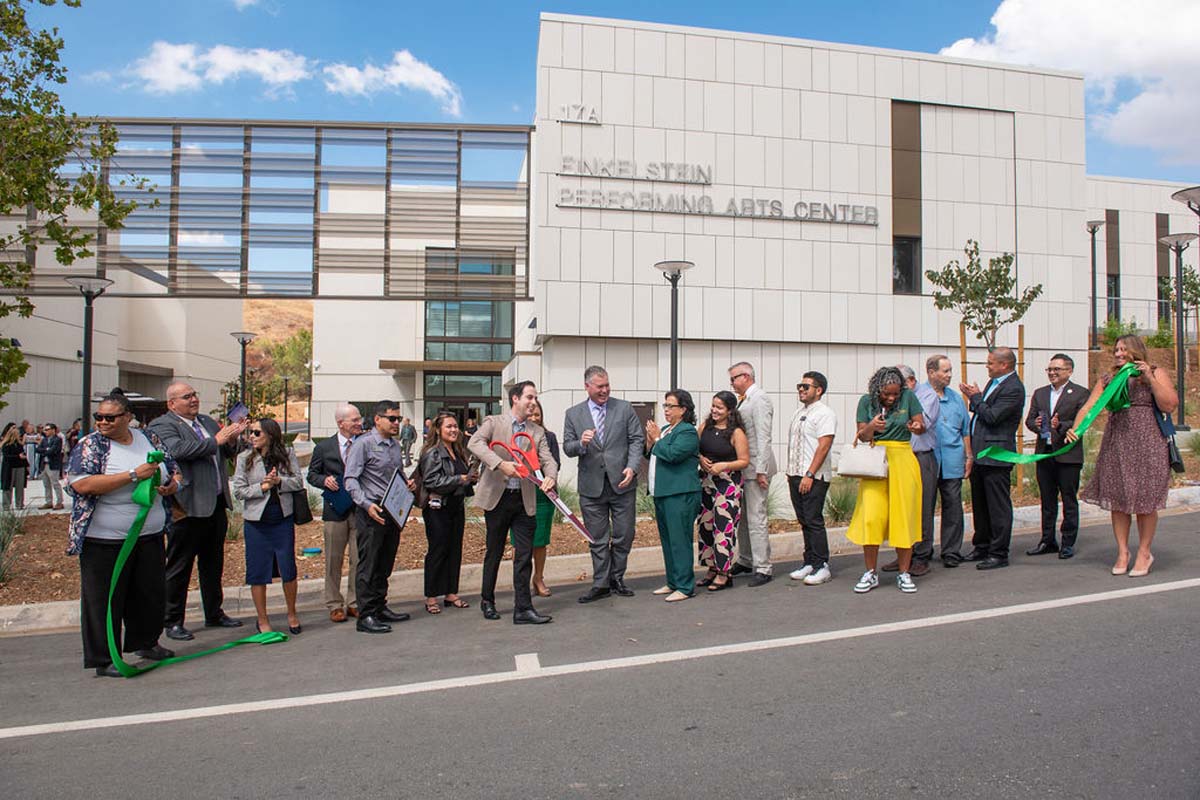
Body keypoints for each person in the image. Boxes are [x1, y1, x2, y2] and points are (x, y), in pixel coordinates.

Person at [65, 390, 181, 677]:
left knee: (149, 593)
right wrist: (132, 475)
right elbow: (82, 485)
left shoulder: (148, 439)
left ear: (128, 418)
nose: (103, 422)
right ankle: (103, 657)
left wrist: (171, 486)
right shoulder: (91, 446)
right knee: (104, 598)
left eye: (110, 417)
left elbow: (173, 469)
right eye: (99, 417)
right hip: (105, 540)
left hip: (149, 533)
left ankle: (145, 642)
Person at [1068, 335, 1177, 577]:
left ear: (1135, 351)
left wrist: (1148, 377)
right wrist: (1076, 430)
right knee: (1118, 499)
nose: (1117, 353)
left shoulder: (1155, 373)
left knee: (1146, 500)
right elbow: (1089, 407)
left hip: (1149, 443)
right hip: (1117, 443)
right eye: (1116, 349)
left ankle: (1144, 552)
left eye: (1122, 349)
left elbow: (1169, 404)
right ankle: (1122, 552)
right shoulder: (1109, 379)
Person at [149, 382, 248, 641]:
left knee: (213, 563)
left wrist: (233, 436)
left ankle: (214, 612)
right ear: (172, 403)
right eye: (187, 397)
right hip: (187, 505)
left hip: (215, 503)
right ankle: (172, 620)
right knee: (180, 566)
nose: (193, 400)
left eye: (194, 395)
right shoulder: (163, 425)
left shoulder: (206, 421)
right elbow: (177, 451)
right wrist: (216, 440)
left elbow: (226, 451)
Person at [468, 381, 557, 624]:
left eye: (535, 398)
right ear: (515, 399)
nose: (533, 402)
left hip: (524, 500)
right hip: (498, 499)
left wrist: (550, 476)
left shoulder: (536, 431)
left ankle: (523, 609)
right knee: (494, 552)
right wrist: (500, 463)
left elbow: (548, 459)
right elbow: (474, 444)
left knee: (524, 554)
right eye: (529, 397)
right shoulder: (494, 423)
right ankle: (487, 600)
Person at [563, 366, 644, 604]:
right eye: (600, 386)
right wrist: (581, 443)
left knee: (623, 534)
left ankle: (617, 578)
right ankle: (601, 584)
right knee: (597, 538)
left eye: (607, 385)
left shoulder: (624, 408)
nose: (605, 390)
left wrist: (632, 466)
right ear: (587, 386)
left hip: (622, 482)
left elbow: (636, 439)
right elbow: (567, 447)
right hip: (591, 487)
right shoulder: (573, 414)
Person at [846, 367, 926, 594]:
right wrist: (872, 427)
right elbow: (861, 435)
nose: (891, 398)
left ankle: (904, 572)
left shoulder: (909, 396)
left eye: (895, 394)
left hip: (902, 458)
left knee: (904, 516)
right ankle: (870, 573)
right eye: (886, 394)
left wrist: (917, 426)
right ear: (876, 389)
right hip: (875, 460)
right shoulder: (865, 401)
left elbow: (921, 425)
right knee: (871, 517)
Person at [343, 400, 415, 634]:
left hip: (392, 511)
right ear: (378, 419)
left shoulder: (394, 446)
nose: (397, 423)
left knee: (385, 563)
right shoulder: (363, 444)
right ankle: (366, 615)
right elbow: (350, 479)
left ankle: (380, 606)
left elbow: (396, 474)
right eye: (392, 419)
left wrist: (407, 484)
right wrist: (365, 504)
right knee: (369, 564)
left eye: (398, 418)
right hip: (371, 511)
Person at [232, 418, 304, 635]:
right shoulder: (244, 458)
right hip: (257, 523)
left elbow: (298, 481)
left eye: (257, 433)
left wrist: (279, 481)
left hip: (282, 519)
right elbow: (239, 491)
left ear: (270, 435)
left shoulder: (287, 454)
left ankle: (292, 613)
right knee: (257, 571)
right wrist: (262, 486)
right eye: (250, 433)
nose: (251, 437)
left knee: (288, 569)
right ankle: (262, 619)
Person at [960, 347, 1026, 570]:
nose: (987, 366)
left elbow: (992, 416)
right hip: (980, 454)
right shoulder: (994, 382)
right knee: (980, 505)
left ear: (1004, 365)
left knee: (998, 506)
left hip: (996, 455)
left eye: (990, 363)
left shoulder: (1014, 388)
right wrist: (976, 397)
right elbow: (982, 410)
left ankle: (999, 552)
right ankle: (982, 545)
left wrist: (975, 397)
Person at [1025, 353, 1088, 559]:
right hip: (1045, 454)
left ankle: (1068, 542)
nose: (1052, 373)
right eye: (1049, 369)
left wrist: (1060, 426)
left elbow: (1082, 421)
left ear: (1069, 371)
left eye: (1057, 369)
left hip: (1068, 455)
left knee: (1068, 499)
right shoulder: (1040, 393)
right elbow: (1030, 420)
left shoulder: (1080, 393)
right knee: (1047, 499)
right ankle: (1047, 540)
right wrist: (1037, 425)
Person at [306, 403, 362, 623]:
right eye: (355, 420)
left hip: (359, 509)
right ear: (341, 423)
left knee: (358, 559)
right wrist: (323, 480)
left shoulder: (364, 444)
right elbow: (311, 474)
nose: (359, 423)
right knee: (333, 559)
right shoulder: (324, 448)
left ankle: (355, 602)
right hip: (335, 510)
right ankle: (334, 604)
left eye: (359, 419)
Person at [645, 389, 702, 602]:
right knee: (668, 540)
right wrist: (652, 442)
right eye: (665, 406)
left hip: (680, 493)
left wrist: (657, 438)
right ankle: (673, 581)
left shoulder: (687, 431)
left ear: (683, 409)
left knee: (680, 540)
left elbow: (672, 454)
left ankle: (686, 586)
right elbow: (653, 454)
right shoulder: (668, 430)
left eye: (671, 406)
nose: (666, 410)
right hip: (663, 492)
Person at [883, 365, 939, 577]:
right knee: (902, 508)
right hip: (897, 458)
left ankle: (921, 556)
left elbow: (920, 422)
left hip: (920, 457)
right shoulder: (895, 399)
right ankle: (904, 554)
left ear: (911, 381)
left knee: (922, 507)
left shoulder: (927, 397)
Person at [420, 411, 477, 614]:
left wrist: (471, 478)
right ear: (438, 430)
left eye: (455, 426)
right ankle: (431, 596)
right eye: (449, 427)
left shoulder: (458, 450)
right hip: (437, 508)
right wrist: (459, 479)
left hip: (456, 506)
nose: (454, 430)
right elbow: (431, 481)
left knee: (455, 550)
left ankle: (451, 593)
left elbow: (461, 476)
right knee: (438, 551)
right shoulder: (432, 453)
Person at [785, 372, 838, 586]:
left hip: (813, 476)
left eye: (806, 386)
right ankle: (809, 561)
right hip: (795, 474)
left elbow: (823, 446)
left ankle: (821, 565)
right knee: (803, 519)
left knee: (814, 520)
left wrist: (810, 474)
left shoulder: (825, 413)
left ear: (819, 390)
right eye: (800, 386)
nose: (801, 390)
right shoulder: (799, 413)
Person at [728, 361, 777, 587]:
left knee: (756, 517)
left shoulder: (759, 399)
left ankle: (763, 566)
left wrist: (761, 469)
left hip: (757, 468)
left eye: (734, 378)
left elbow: (764, 435)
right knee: (744, 518)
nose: (732, 383)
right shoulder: (745, 400)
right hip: (744, 468)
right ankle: (746, 559)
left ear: (746, 376)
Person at [695, 391, 750, 592]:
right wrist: (701, 459)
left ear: (729, 411)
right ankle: (711, 567)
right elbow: (695, 448)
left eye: (719, 407)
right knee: (706, 526)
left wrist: (724, 465)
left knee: (723, 527)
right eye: (713, 406)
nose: (714, 410)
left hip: (728, 485)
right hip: (706, 483)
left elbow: (744, 460)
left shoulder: (736, 433)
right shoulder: (705, 427)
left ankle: (724, 573)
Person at [921, 355, 972, 567]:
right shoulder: (918, 396)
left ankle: (951, 551)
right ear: (931, 372)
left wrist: (969, 456)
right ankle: (921, 551)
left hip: (952, 459)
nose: (949, 375)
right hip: (927, 459)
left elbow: (965, 430)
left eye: (950, 370)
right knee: (924, 507)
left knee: (953, 506)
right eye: (945, 371)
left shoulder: (956, 399)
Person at [527, 399, 560, 597]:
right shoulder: (516, 435)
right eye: (530, 414)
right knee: (520, 542)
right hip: (521, 494)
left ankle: (538, 578)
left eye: (537, 415)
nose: (533, 418)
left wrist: (545, 471)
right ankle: (521, 580)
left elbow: (556, 464)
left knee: (540, 541)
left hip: (543, 495)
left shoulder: (549, 437)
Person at [36, 423, 66, 510]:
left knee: (55, 483)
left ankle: (59, 502)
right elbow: (38, 449)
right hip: (44, 464)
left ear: (53, 430)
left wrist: (45, 450)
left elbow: (53, 451)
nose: (45, 431)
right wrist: (46, 449)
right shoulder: (44, 440)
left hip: (52, 464)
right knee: (46, 484)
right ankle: (48, 502)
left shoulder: (57, 439)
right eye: (45, 430)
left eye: (47, 429)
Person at [1, 422, 28, 511]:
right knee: (8, 486)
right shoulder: (6, 444)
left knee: (20, 487)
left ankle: (19, 504)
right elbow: (6, 456)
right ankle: (6, 505)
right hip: (9, 468)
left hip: (20, 467)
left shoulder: (19, 444)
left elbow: (22, 453)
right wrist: (18, 456)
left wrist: (26, 464)